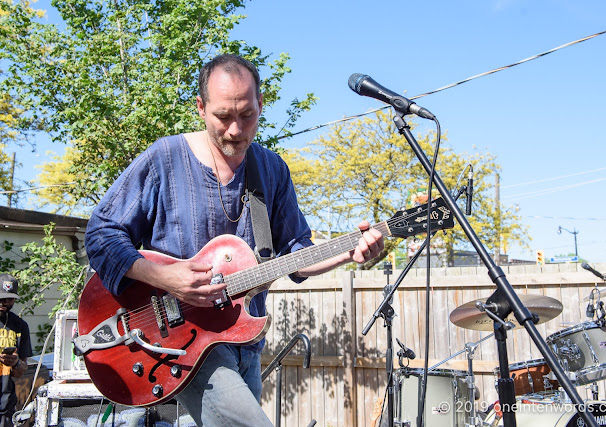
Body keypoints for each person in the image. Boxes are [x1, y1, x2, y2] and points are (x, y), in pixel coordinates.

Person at [84, 53, 384, 426]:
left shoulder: (271, 168)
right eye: (223, 117)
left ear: (261, 104)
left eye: (247, 115)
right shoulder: (165, 159)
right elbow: (99, 234)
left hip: (246, 344)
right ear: (201, 107)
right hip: (177, 343)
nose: (236, 130)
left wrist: (347, 252)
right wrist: (165, 277)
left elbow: (296, 252)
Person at [0, 274, 31, 427]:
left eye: (9, 299)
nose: (4, 302)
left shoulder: (19, 326)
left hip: (5, 406)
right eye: (1, 298)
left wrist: (16, 362)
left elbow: (21, 371)